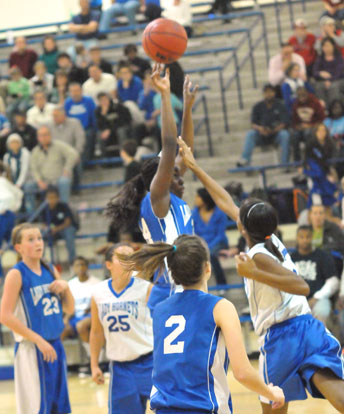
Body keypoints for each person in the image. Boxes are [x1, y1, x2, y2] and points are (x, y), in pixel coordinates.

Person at [177, 137, 344, 413]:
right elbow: (224, 200)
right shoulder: (270, 239)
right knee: (337, 395)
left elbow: (301, 286)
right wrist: (195, 168)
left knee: (273, 407)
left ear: (244, 227)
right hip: (307, 326)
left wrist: (254, 271)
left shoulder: (259, 256)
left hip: (281, 336)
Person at [118, 234, 285, 413]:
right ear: (207, 267)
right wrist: (272, 393)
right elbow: (242, 372)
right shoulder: (220, 308)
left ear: (173, 272)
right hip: (203, 408)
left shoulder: (160, 310)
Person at [106, 66, 198, 310]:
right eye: (174, 175)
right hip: (170, 290)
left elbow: (183, 148)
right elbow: (169, 146)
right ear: (161, 180)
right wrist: (165, 96)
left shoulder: (171, 199)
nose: (181, 179)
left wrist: (187, 109)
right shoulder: (157, 201)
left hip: (186, 286)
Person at [0, 223, 74, 414]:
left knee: (60, 407)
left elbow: (69, 308)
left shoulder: (49, 269)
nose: (38, 243)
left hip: (55, 346)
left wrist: (65, 286)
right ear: (19, 247)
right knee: (37, 408)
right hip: (32, 348)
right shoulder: (16, 274)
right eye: (31, 239)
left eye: (39, 238)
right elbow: (4, 316)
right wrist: (38, 340)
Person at [90, 243, 154, 414]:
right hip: (120, 368)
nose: (129, 260)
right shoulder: (98, 292)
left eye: (131, 256)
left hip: (150, 362)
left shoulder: (146, 288)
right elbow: (96, 332)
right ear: (108, 264)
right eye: (122, 256)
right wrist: (94, 364)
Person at [290, 225, 339, 326]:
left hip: (319, 298)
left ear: (312, 237)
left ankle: (320, 341)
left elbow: (333, 281)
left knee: (322, 311)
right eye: (301, 237)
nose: (305, 240)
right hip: (295, 300)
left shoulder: (323, 256)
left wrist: (316, 297)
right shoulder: (290, 259)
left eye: (308, 237)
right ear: (297, 238)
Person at [25, 125, 79, 213]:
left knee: (64, 181)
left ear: (50, 135)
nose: (44, 137)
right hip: (44, 181)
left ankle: (64, 210)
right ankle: (33, 214)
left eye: (46, 134)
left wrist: (67, 168)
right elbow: (33, 168)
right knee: (28, 186)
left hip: (58, 179)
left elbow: (73, 154)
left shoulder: (59, 145)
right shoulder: (35, 151)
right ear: (38, 138)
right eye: (41, 135)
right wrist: (39, 181)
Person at [236, 84, 290, 167]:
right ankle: (245, 160)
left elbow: (284, 123)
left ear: (274, 93)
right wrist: (260, 129)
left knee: (285, 134)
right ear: (263, 94)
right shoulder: (258, 106)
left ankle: (284, 163)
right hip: (261, 134)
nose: (268, 94)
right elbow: (253, 124)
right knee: (250, 134)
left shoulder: (280, 105)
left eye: (270, 92)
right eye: (266, 92)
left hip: (276, 134)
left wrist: (273, 130)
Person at [192, 187, 229, 285]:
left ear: (205, 199)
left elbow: (220, 235)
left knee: (211, 255)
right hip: (201, 243)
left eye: (198, 197)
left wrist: (208, 246)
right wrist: (202, 245)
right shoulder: (194, 213)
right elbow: (194, 233)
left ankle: (222, 284)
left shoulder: (220, 213)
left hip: (218, 243)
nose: (196, 199)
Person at [61, 256, 99, 348]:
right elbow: (68, 305)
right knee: (61, 330)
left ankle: (93, 357)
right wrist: (66, 318)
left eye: (82, 265)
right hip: (75, 316)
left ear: (87, 267)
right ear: (73, 268)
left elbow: (100, 305)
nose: (80, 267)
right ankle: (59, 360)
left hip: (92, 315)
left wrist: (91, 309)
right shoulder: (70, 284)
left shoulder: (97, 283)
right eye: (77, 265)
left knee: (81, 326)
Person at [304, 123, 337, 209]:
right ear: (315, 132)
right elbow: (315, 160)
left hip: (326, 174)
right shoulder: (311, 144)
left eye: (324, 130)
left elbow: (333, 158)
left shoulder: (330, 143)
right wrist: (328, 172)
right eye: (319, 130)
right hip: (315, 176)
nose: (322, 132)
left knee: (328, 203)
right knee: (316, 203)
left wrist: (331, 169)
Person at [41, 186, 78, 264]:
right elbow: (44, 224)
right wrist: (49, 228)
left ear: (58, 198)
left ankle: (73, 262)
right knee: (41, 235)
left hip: (65, 229)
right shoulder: (44, 209)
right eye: (49, 198)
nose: (51, 200)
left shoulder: (63, 206)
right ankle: (41, 262)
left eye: (53, 197)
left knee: (69, 233)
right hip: (53, 230)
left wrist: (56, 229)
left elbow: (68, 222)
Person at [65, 82, 97, 162]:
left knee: (88, 135)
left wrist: (96, 129)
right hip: (72, 130)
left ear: (81, 91)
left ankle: (85, 160)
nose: (75, 93)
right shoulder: (67, 103)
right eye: (72, 91)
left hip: (86, 128)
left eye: (76, 91)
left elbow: (94, 117)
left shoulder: (89, 101)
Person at [291, 87, 325, 161]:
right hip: (301, 128)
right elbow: (294, 121)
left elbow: (322, 119)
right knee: (294, 135)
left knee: (307, 133)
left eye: (303, 95)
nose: (302, 98)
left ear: (307, 93)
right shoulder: (296, 104)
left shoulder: (315, 102)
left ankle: (309, 159)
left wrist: (310, 125)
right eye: (299, 96)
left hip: (313, 127)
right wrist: (298, 126)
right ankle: (297, 161)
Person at [308, 204, 344, 275]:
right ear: (310, 215)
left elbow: (341, 244)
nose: (318, 216)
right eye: (315, 213)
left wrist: (322, 250)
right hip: (311, 261)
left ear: (324, 215)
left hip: (330, 261)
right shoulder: (306, 230)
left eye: (320, 213)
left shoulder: (333, 228)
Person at [95, 92, 132, 157]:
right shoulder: (98, 111)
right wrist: (103, 115)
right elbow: (99, 126)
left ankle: (124, 155)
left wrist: (110, 130)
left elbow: (124, 121)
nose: (104, 102)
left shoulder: (117, 106)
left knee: (121, 131)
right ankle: (103, 158)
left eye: (105, 99)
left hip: (121, 128)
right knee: (99, 134)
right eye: (101, 100)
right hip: (109, 132)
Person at [312, 36, 344, 107]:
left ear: (333, 46)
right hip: (323, 81)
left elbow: (339, 73)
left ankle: (335, 108)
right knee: (318, 86)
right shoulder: (320, 58)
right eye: (324, 46)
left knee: (333, 87)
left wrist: (329, 80)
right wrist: (320, 73)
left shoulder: (339, 57)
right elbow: (314, 72)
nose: (326, 48)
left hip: (338, 80)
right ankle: (324, 108)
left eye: (328, 45)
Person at [0, 161, 23, 249]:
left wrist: (14, 207)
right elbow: (19, 193)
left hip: (4, 214)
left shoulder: (3, 181)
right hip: (9, 213)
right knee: (12, 242)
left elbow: (19, 193)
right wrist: (16, 207)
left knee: (12, 242)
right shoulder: (4, 181)